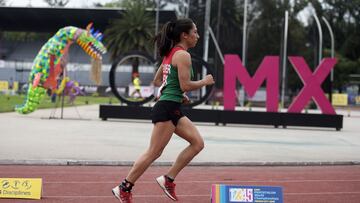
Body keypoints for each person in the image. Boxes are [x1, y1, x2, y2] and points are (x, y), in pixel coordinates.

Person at [112, 18, 215, 203]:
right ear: (185, 35)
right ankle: (124, 187)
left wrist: (175, 93)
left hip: (172, 106)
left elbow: (159, 80)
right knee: (154, 152)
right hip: (167, 108)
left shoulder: (171, 54)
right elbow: (184, 84)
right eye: (195, 32)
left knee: (197, 143)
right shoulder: (183, 55)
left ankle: (168, 179)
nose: (197, 36)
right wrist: (204, 82)